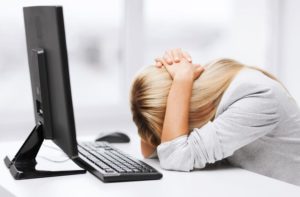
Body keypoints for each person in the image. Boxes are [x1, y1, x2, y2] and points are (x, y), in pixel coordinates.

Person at [130, 48, 300, 186]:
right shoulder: (212, 87)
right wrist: (159, 81)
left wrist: (181, 81)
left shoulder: (255, 97)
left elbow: (174, 157)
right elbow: (152, 150)